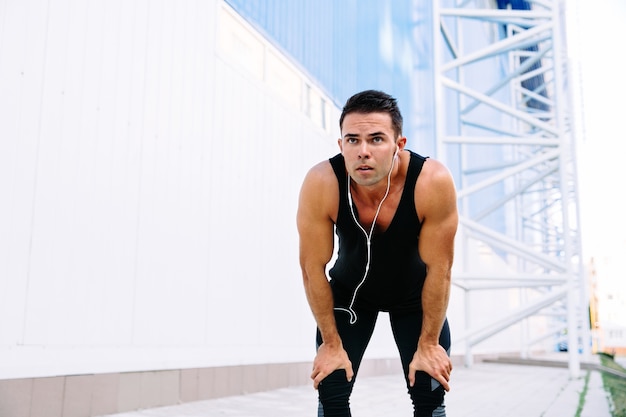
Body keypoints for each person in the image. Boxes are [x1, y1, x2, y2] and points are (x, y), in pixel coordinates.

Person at [296, 90, 458, 417]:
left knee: (430, 394)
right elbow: (312, 268)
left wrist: (428, 343)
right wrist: (330, 343)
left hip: (416, 297)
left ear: (399, 144)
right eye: (353, 140)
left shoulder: (431, 182)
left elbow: (440, 269)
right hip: (350, 296)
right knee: (332, 393)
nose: (363, 152)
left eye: (377, 139)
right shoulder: (322, 182)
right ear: (341, 145)